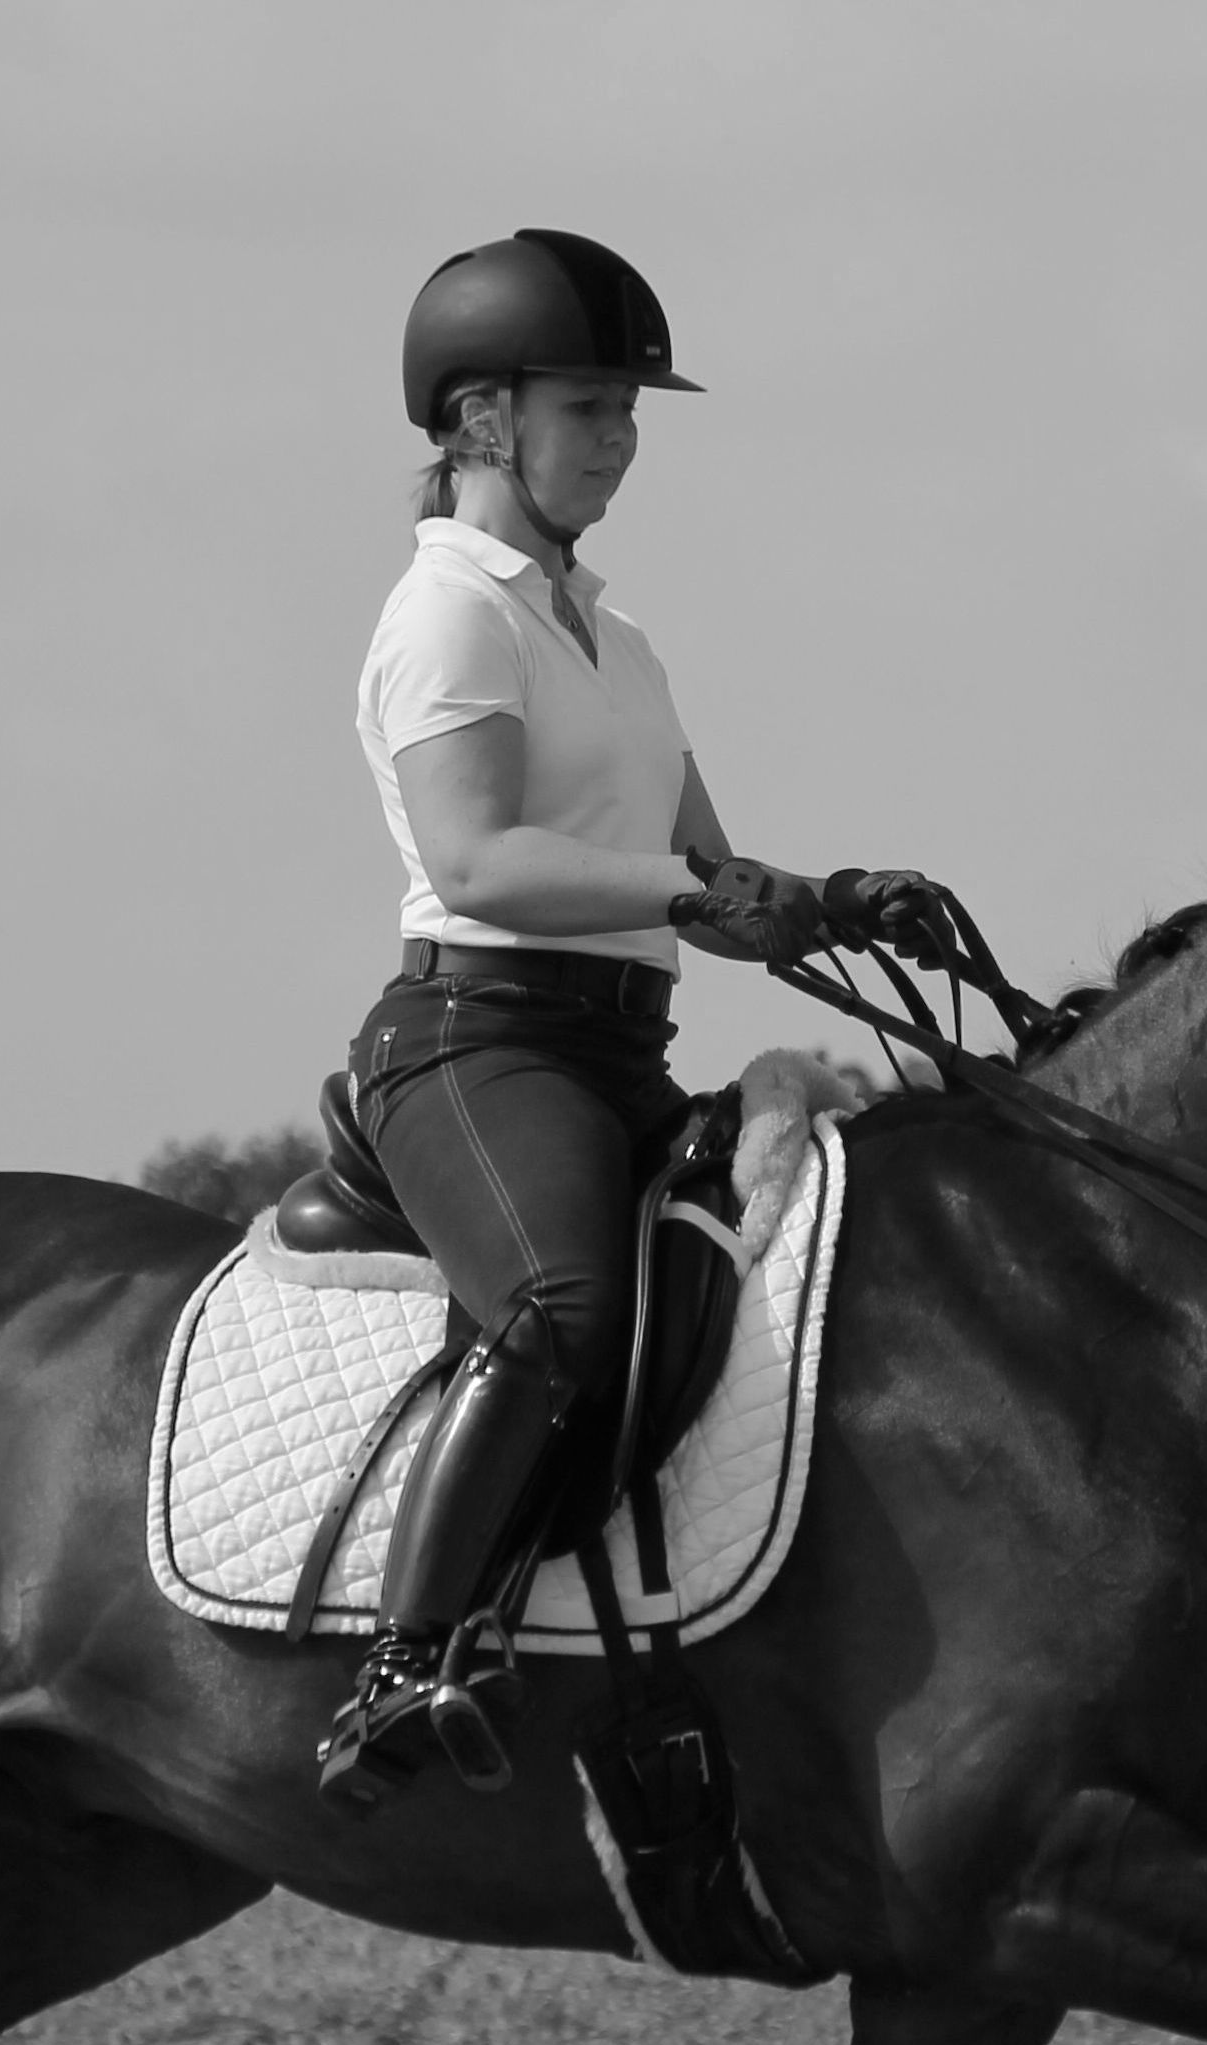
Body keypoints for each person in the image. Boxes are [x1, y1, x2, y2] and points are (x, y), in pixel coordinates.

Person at [320, 229, 916, 1815]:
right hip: (478, 1044)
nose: (625, 441)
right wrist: (691, 894)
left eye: (630, 412)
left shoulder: (619, 640)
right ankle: (407, 1659)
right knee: (563, 1308)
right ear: (480, 422)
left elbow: (710, 871)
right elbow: (476, 859)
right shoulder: (450, 616)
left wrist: (838, 900)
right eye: (592, 406)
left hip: (618, 1051)